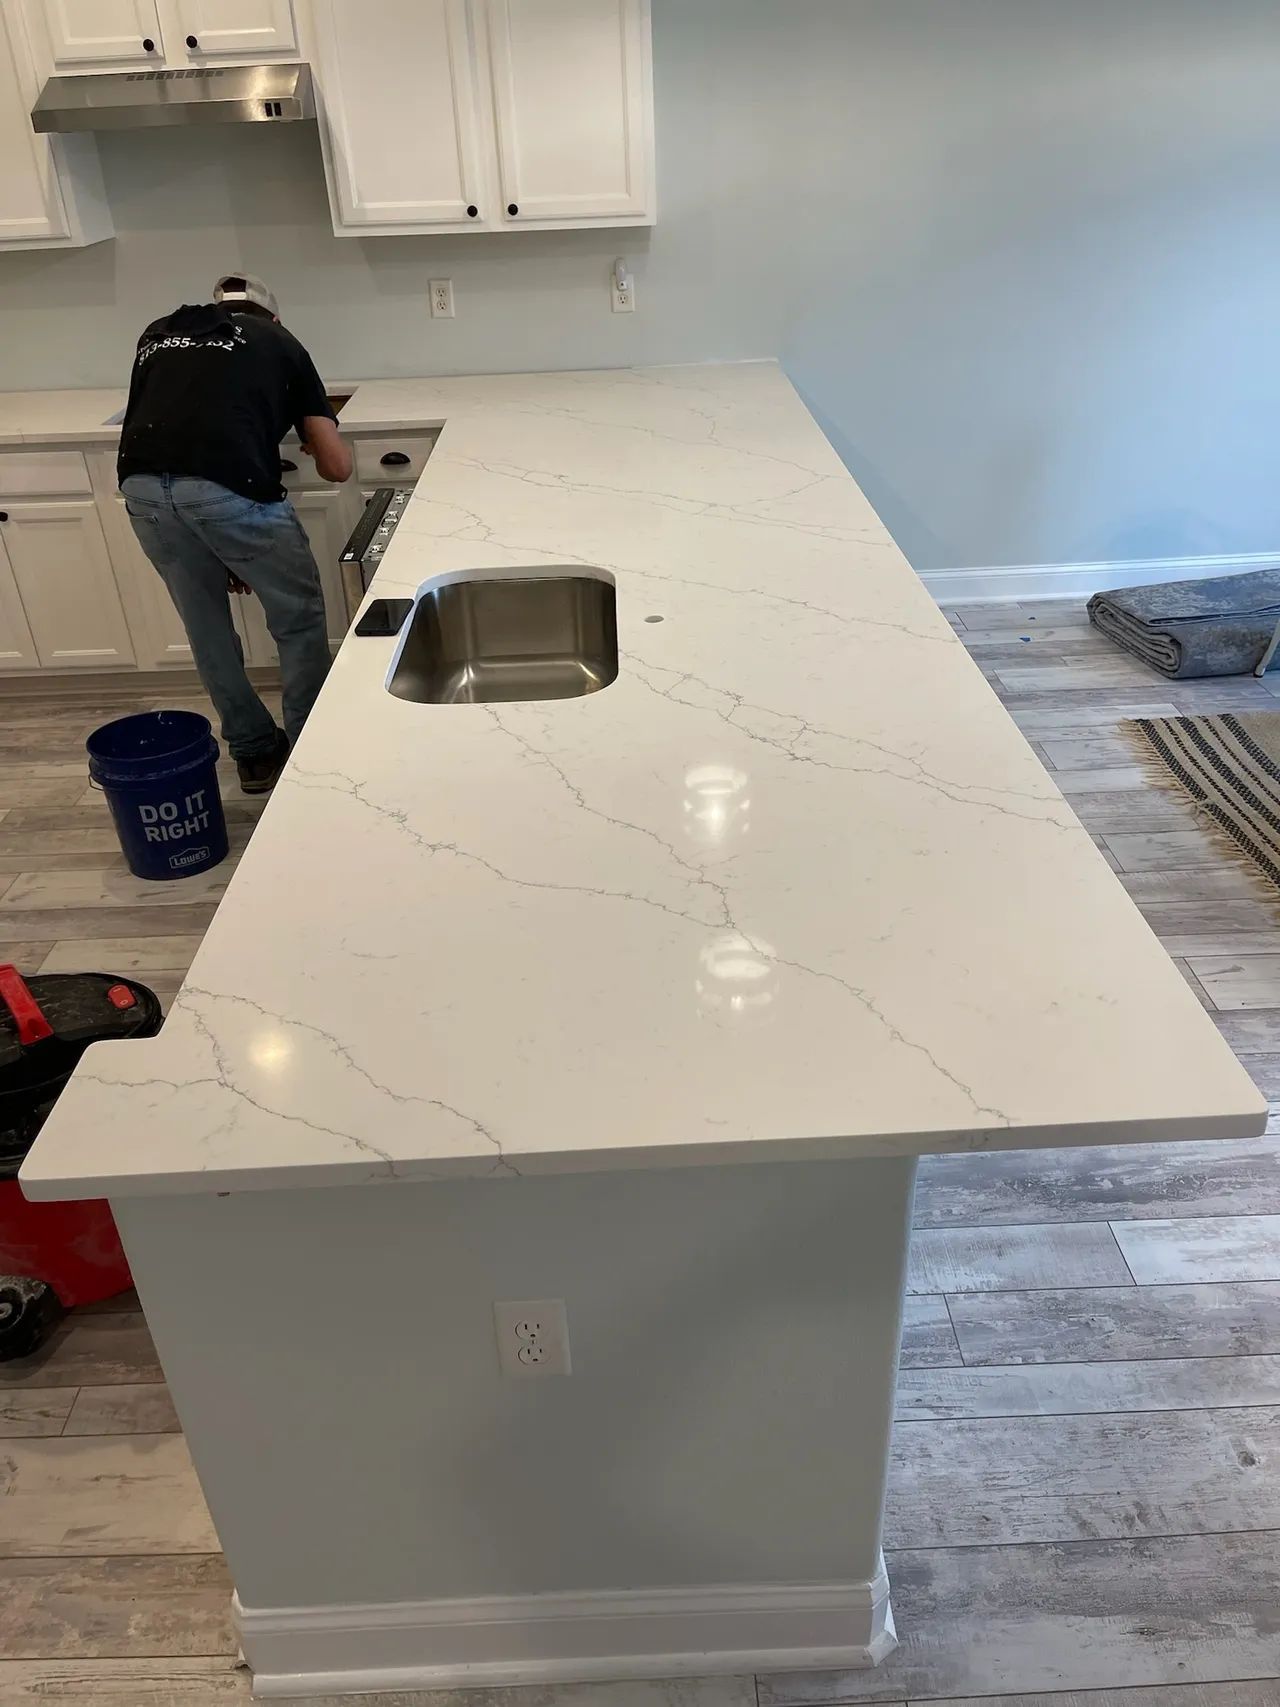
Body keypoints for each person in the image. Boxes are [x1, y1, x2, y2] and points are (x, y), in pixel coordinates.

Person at [118, 273, 352, 794]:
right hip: (229, 492)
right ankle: (312, 743)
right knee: (297, 618)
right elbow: (337, 468)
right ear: (272, 317)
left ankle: (253, 753)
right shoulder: (279, 342)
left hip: (143, 490)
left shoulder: (158, 334)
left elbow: (178, 428)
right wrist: (317, 439)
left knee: (206, 628)